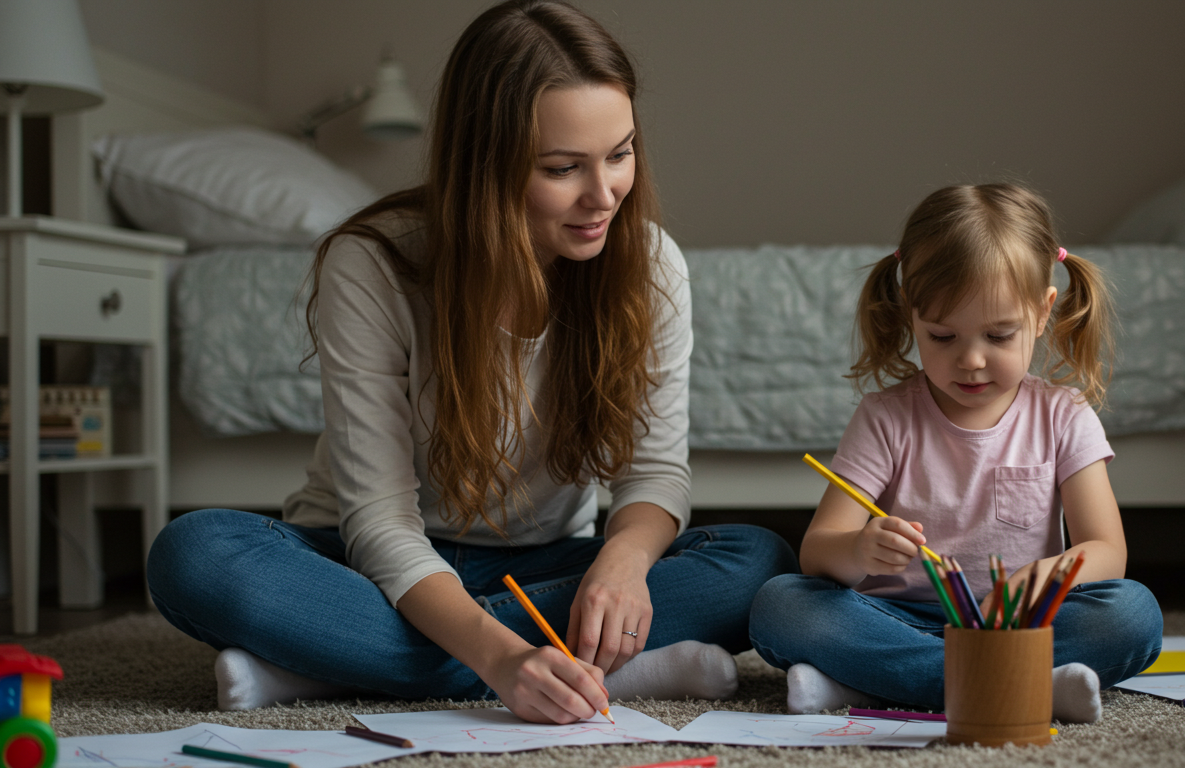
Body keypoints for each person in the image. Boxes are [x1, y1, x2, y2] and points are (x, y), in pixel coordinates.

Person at [148, 0, 796, 719]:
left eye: (621, 153)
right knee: (194, 555)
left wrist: (622, 563)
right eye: (562, 168)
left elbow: (655, 474)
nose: (604, 194)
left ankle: (336, 664)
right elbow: (382, 523)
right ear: (483, 165)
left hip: (548, 561)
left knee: (757, 563)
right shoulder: (374, 262)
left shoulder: (649, 266)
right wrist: (500, 657)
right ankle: (595, 667)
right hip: (365, 559)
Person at [748, 183, 1161, 720]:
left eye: (998, 335)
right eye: (942, 336)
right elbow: (817, 550)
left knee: (1132, 613)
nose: (970, 359)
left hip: (1020, 627)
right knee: (781, 603)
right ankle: (1016, 687)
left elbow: (1107, 551)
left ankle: (876, 685)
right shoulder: (885, 417)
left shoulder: (1063, 415)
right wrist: (859, 550)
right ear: (910, 316)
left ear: (1041, 314)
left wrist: (1030, 586)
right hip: (895, 619)